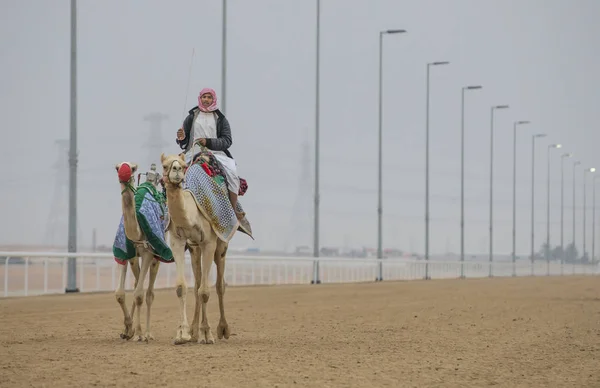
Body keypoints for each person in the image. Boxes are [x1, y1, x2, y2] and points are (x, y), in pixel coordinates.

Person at [176, 88, 245, 220]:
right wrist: (181, 137)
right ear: (200, 98)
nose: (206, 100)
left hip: (217, 153)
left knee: (232, 174)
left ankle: (233, 210)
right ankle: (168, 207)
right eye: (204, 97)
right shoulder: (192, 117)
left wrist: (208, 142)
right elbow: (184, 142)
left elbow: (227, 140)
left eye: (209, 97)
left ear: (213, 99)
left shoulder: (221, 119)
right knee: (174, 171)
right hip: (193, 152)